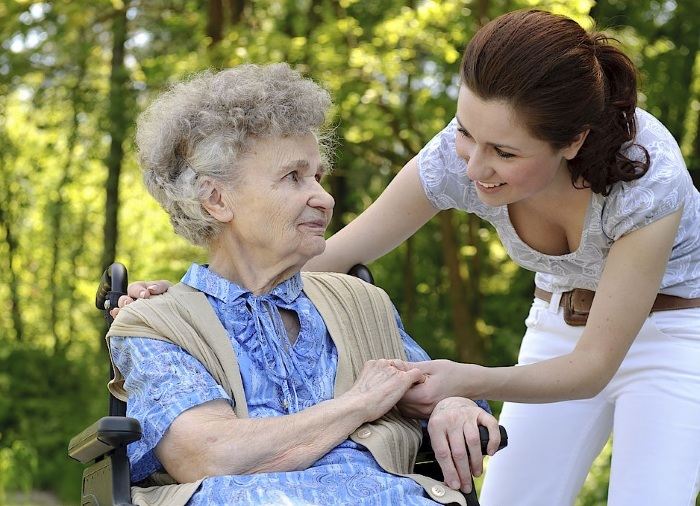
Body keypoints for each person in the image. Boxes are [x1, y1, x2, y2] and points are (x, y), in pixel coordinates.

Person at [119, 10, 700, 505]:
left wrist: (453, 393)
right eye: (465, 133)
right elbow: (327, 256)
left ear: (572, 142)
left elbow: (590, 366)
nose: (471, 168)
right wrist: (182, 303)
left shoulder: (648, 180)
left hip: (674, 330)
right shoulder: (458, 158)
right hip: (558, 321)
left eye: (502, 151)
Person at [107, 62, 501, 506]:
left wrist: (452, 407)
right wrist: (359, 403)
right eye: (294, 176)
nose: (324, 197)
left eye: (318, 175)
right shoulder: (159, 322)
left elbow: (432, 388)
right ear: (216, 199)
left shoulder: (359, 303)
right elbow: (209, 456)